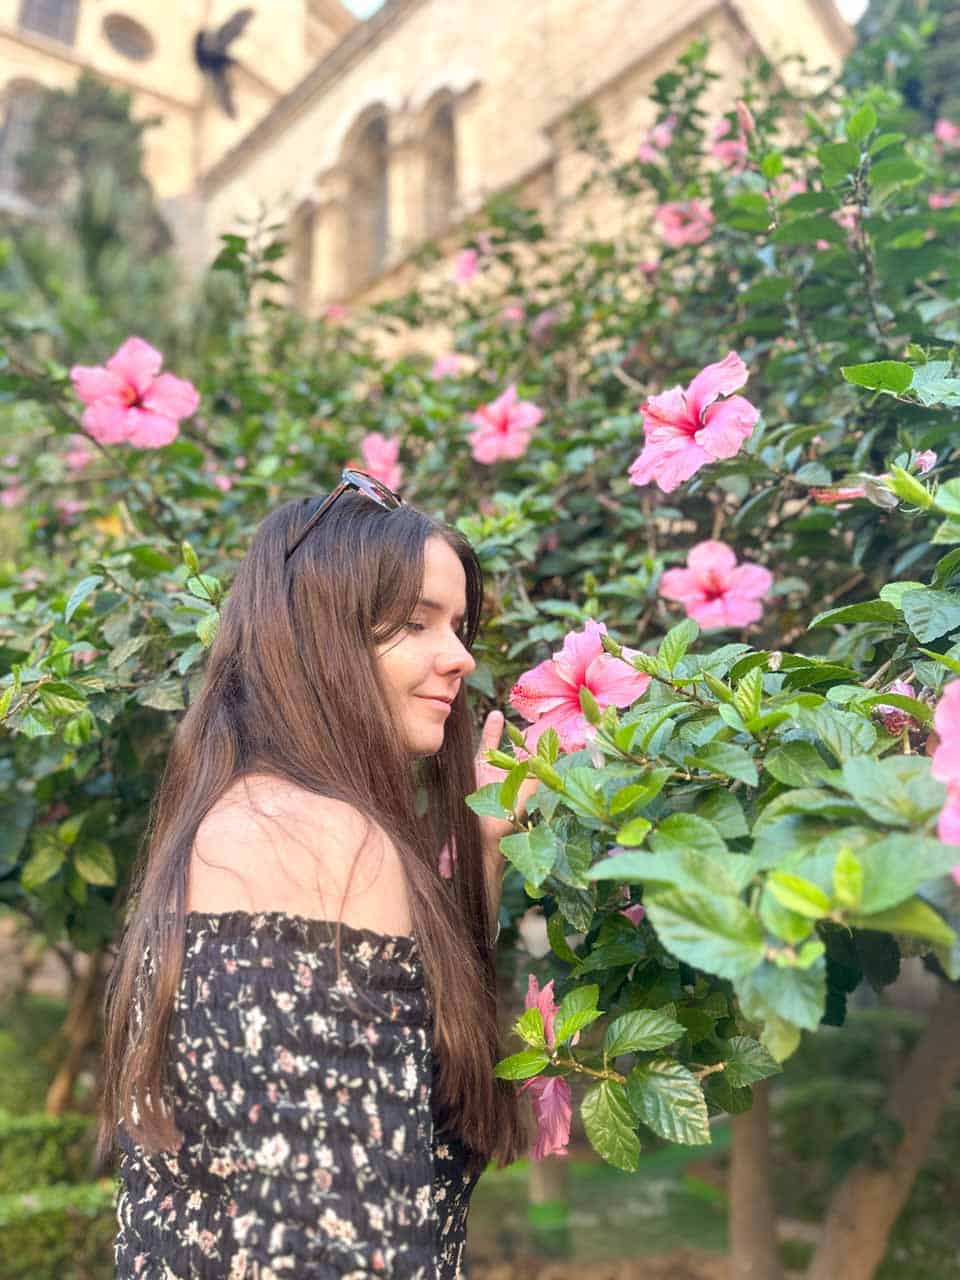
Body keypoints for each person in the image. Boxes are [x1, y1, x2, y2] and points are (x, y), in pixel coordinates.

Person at [99, 470, 534, 1278]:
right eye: (415, 623)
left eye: (460, 625)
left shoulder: (249, 816)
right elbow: (329, 1245)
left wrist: (482, 852)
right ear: (317, 639)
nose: (462, 657)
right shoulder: (306, 838)